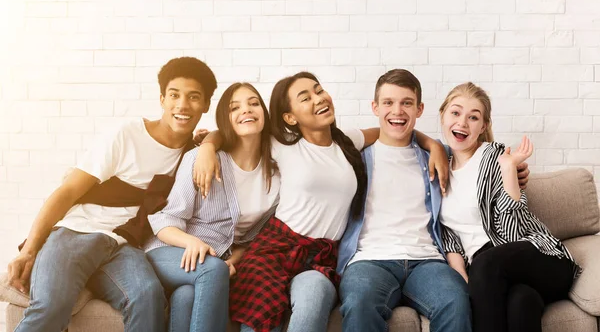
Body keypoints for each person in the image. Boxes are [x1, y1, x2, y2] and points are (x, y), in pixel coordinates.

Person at [193, 72, 449, 332]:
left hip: (322, 256)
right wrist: (207, 147)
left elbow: (395, 129)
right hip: (277, 247)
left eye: (319, 90)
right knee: (259, 318)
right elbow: (231, 132)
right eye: (305, 98)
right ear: (290, 117)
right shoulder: (282, 144)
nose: (318, 99)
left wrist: (434, 145)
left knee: (314, 300)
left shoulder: (346, 141)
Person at [6, 56, 217, 332]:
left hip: (123, 246)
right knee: (51, 307)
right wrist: (30, 250)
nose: (182, 105)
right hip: (76, 234)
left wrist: (211, 144)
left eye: (193, 97)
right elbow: (68, 191)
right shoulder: (126, 135)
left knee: (148, 297)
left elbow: (224, 134)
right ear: (162, 99)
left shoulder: (192, 153)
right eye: (174, 95)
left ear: (205, 105)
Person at [337, 69, 472, 332]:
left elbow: (478, 162)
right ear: (375, 107)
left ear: (419, 109)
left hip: (427, 260)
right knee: (359, 302)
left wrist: (512, 169)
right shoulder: (355, 158)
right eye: (388, 102)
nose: (397, 111)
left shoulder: (439, 155)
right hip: (370, 260)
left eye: (406, 103)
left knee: (456, 300)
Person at [438, 82, 580, 332]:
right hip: (495, 274)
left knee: (486, 263)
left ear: (483, 127)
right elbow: (451, 241)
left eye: (473, 117)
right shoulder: (439, 169)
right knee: (521, 302)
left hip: (541, 258)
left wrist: (508, 169)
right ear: (442, 115)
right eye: (456, 112)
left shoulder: (494, 157)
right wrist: (466, 283)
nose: (462, 123)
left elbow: (515, 233)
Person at [143, 82, 279, 332]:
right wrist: (191, 242)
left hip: (212, 262)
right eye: (234, 107)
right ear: (225, 119)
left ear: (264, 112)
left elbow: (252, 238)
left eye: (254, 103)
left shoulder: (276, 173)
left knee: (185, 297)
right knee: (213, 271)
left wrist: (236, 258)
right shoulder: (201, 159)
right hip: (169, 250)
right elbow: (165, 220)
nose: (246, 110)